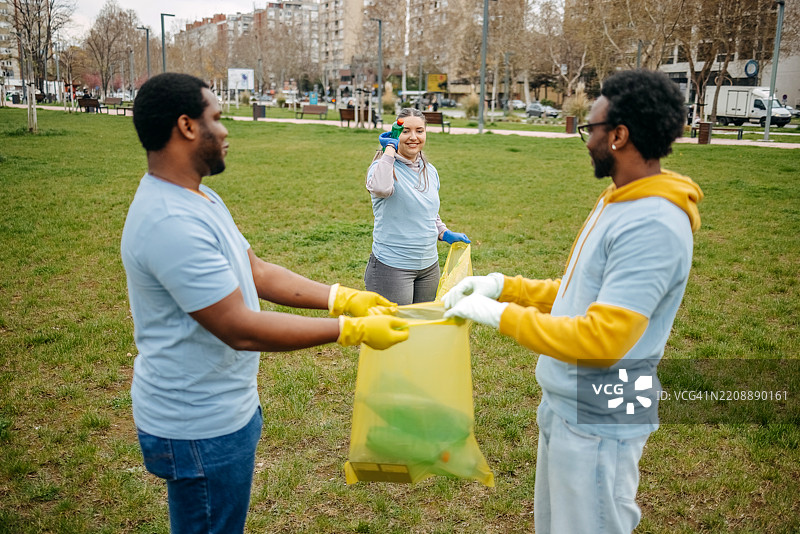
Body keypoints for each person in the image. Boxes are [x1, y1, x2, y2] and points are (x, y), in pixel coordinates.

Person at [121, 73, 409, 534]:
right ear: (187, 127)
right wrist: (347, 331)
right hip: (199, 425)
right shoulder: (170, 220)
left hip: (224, 408)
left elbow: (255, 269)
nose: (226, 129)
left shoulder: (198, 196)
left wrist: (341, 298)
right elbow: (241, 327)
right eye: (216, 118)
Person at [443, 69, 703, 533]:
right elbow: (580, 293)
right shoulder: (621, 200)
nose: (586, 141)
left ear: (619, 136)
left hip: (600, 417)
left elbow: (603, 339)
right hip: (568, 405)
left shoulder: (653, 224)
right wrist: (505, 286)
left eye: (592, 129)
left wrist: (498, 315)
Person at [365, 107, 471, 305]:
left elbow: (428, 210)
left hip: (428, 266)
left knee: (421, 328)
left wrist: (443, 232)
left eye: (419, 131)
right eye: (405, 131)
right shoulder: (382, 167)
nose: (413, 137)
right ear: (396, 134)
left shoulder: (429, 170)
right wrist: (389, 149)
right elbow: (380, 188)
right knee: (395, 331)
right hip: (392, 267)